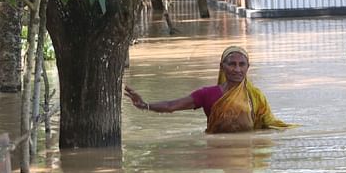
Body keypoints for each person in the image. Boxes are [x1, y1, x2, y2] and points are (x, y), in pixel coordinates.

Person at [124, 46, 293, 133]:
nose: (237, 69)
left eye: (242, 64)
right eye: (232, 64)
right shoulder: (207, 94)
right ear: (222, 67)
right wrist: (144, 105)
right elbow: (172, 106)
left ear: (248, 67)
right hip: (216, 148)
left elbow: (268, 124)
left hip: (247, 152)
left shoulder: (255, 96)